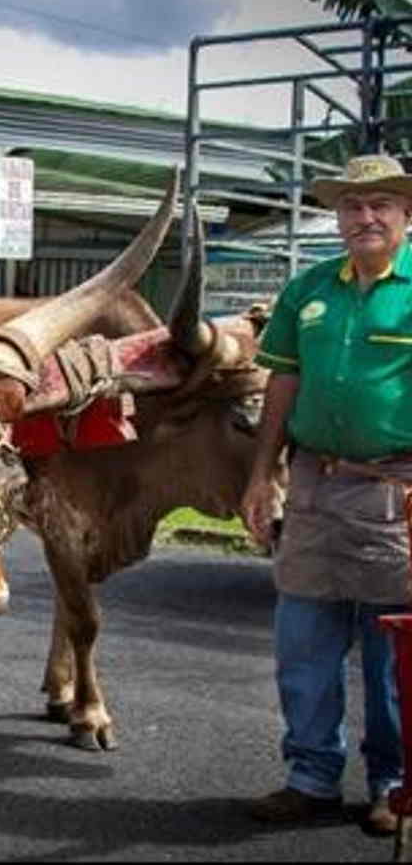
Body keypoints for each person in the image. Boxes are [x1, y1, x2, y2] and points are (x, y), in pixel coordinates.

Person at [240, 153, 412, 838]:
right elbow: (281, 382)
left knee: (390, 652)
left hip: (396, 493)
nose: (364, 217)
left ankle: (393, 785)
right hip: (313, 485)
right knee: (303, 644)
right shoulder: (308, 289)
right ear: (336, 216)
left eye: (380, 205)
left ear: (406, 215)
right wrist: (262, 472)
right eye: (351, 206)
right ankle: (309, 777)